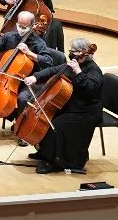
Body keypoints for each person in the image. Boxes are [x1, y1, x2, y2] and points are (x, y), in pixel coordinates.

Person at [27, 38, 104, 174]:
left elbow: (90, 89)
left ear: (83, 53)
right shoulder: (73, 63)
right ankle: (45, 152)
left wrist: (79, 72)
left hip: (86, 111)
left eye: (73, 51)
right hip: (72, 105)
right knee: (46, 119)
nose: (71, 53)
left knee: (56, 125)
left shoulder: (93, 70)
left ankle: (56, 161)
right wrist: (36, 77)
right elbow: (53, 70)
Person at [0, 11, 65, 120]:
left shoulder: (38, 43)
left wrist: (29, 53)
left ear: (32, 26)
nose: (20, 29)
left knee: (22, 98)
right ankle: (9, 114)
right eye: (19, 25)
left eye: (24, 27)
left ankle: (19, 121)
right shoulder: (10, 36)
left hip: (31, 80)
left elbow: (48, 61)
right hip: (9, 77)